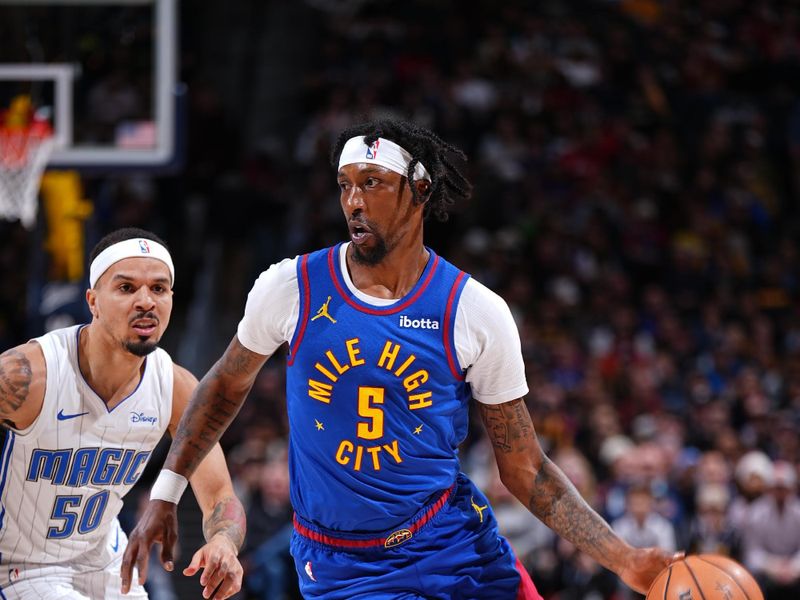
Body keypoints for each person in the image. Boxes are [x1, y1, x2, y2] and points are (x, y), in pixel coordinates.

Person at [124, 119, 680, 599]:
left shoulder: (475, 312)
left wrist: (625, 559)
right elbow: (223, 387)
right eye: (345, 186)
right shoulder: (291, 286)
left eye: (373, 184)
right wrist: (168, 493)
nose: (354, 202)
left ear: (418, 190)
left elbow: (525, 468)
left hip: (454, 540)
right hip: (345, 567)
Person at [0, 227, 245, 599]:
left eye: (158, 289)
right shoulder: (30, 375)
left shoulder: (176, 387)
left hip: (106, 561)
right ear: (93, 301)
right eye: (127, 288)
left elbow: (220, 495)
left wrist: (224, 543)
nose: (146, 301)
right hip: (23, 567)